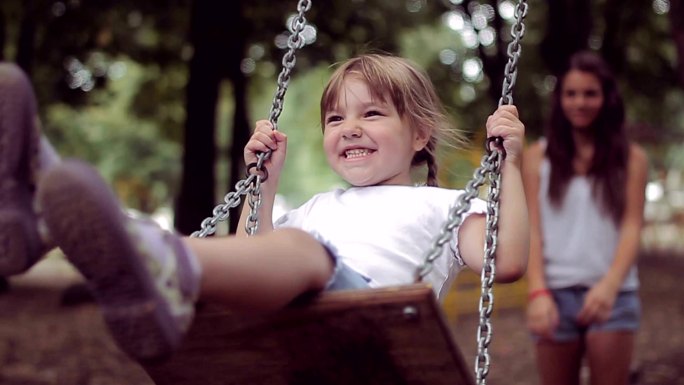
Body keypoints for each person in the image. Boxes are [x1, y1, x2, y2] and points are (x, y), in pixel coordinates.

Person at [1, 54, 529, 363]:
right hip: (289, 325)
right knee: (278, 251)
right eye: (335, 119)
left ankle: (144, 252)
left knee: (302, 251)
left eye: (372, 113)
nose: (350, 128)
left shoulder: (443, 205)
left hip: (369, 335)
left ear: (419, 134)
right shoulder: (320, 207)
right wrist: (264, 185)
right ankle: (45, 210)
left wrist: (509, 165)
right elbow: (250, 255)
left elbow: (505, 263)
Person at [522, 50, 648, 385]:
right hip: (554, 294)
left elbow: (632, 226)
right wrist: (537, 293)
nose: (580, 102)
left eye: (590, 93)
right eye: (571, 93)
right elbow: (532, 229)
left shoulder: (632, 159)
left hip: (613, 293)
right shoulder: (537, 157)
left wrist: (609, 287)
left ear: (607, 98)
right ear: (559, 99)